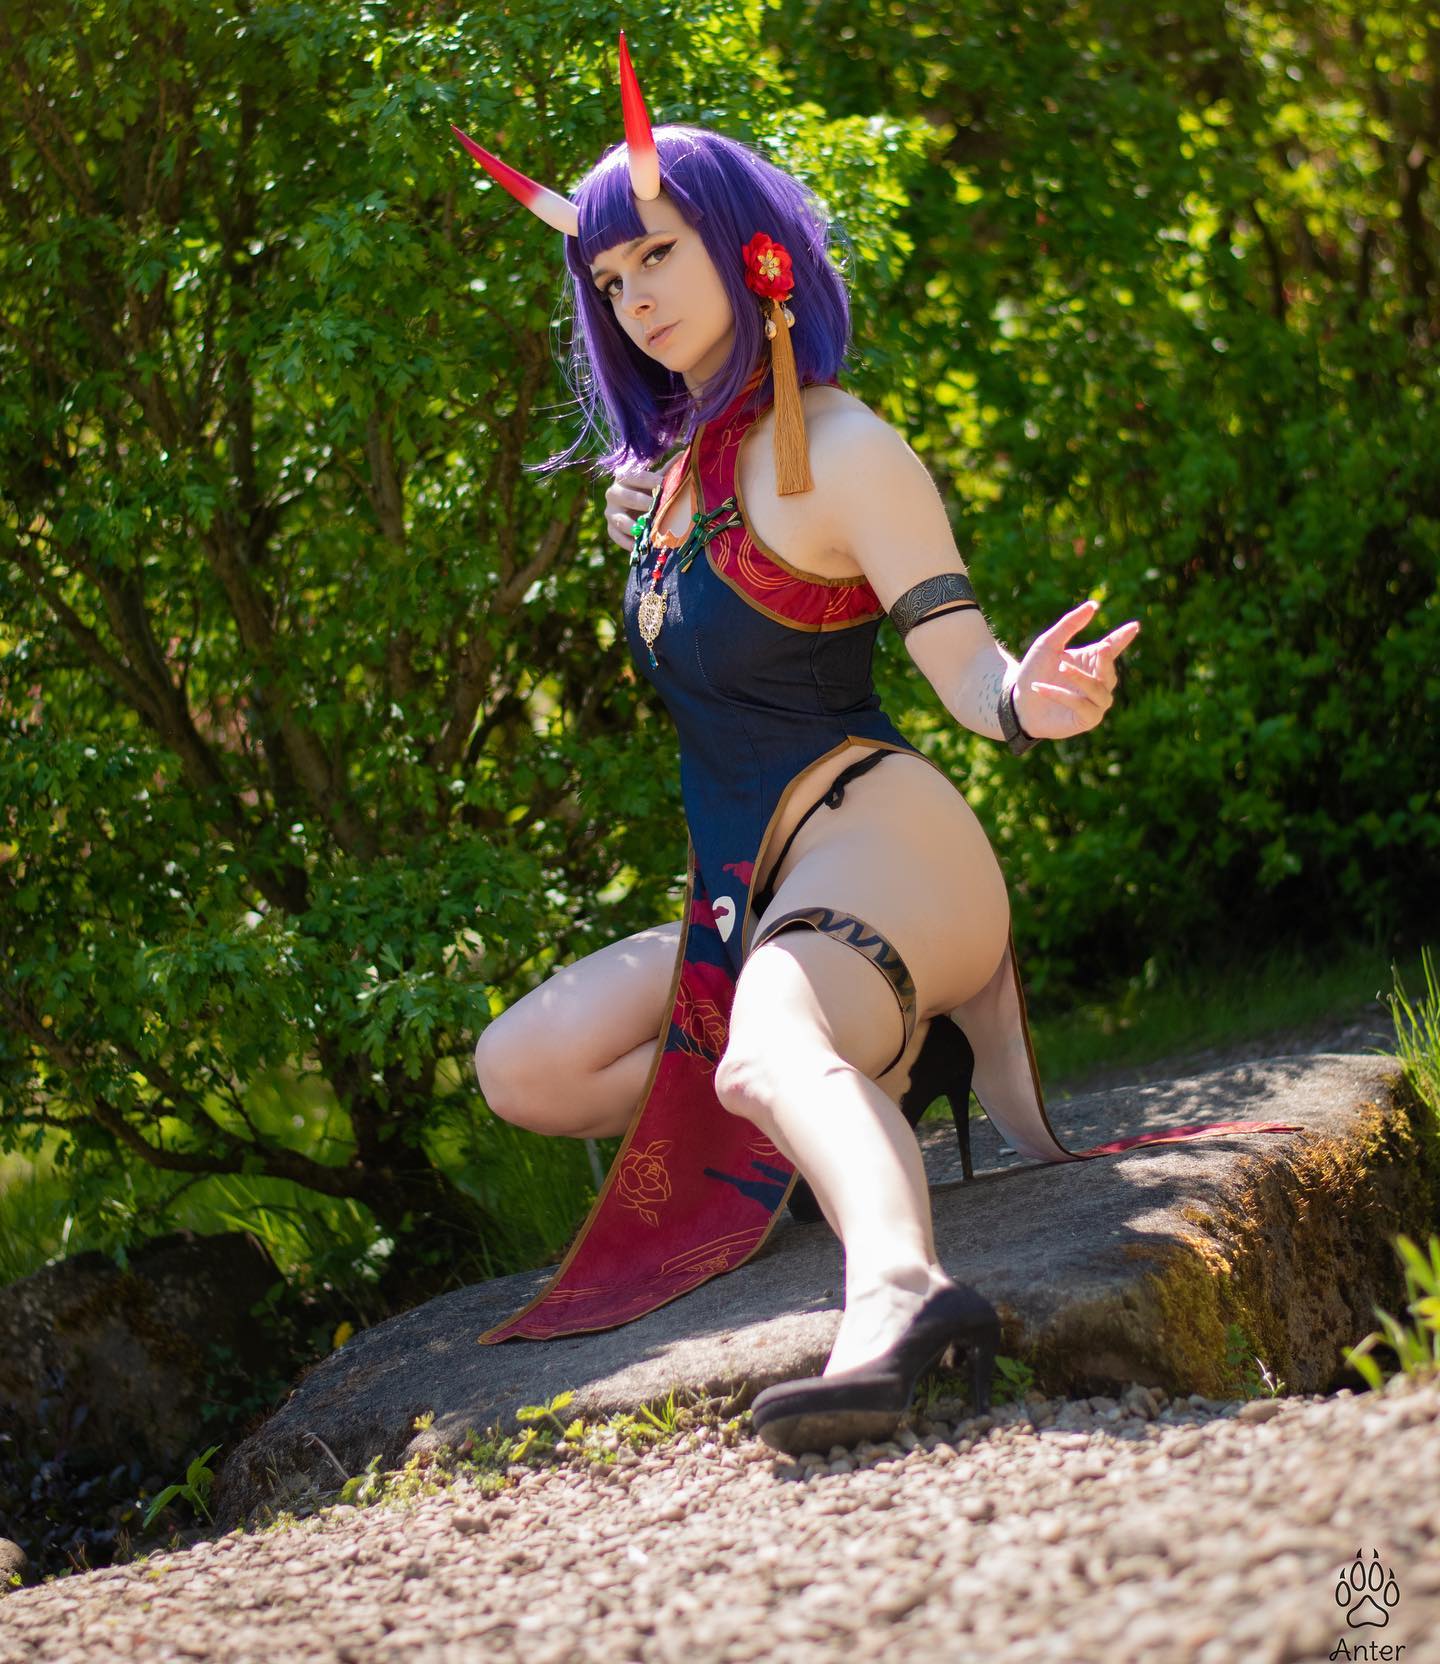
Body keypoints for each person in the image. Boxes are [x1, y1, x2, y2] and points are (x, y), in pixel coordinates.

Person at [459, 37, 1292, 1455]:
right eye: (607, 279)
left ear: (749, 251)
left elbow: (965, 667)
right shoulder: (670, 475)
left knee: (759, 1054)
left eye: (656, 254)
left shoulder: (843, 449)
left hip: (885, 839)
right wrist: (642, 506)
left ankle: (900, 1292)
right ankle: (870, 1097)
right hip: (755, 887)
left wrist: (1030, 698)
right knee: (522, 1068)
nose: (634, 296)